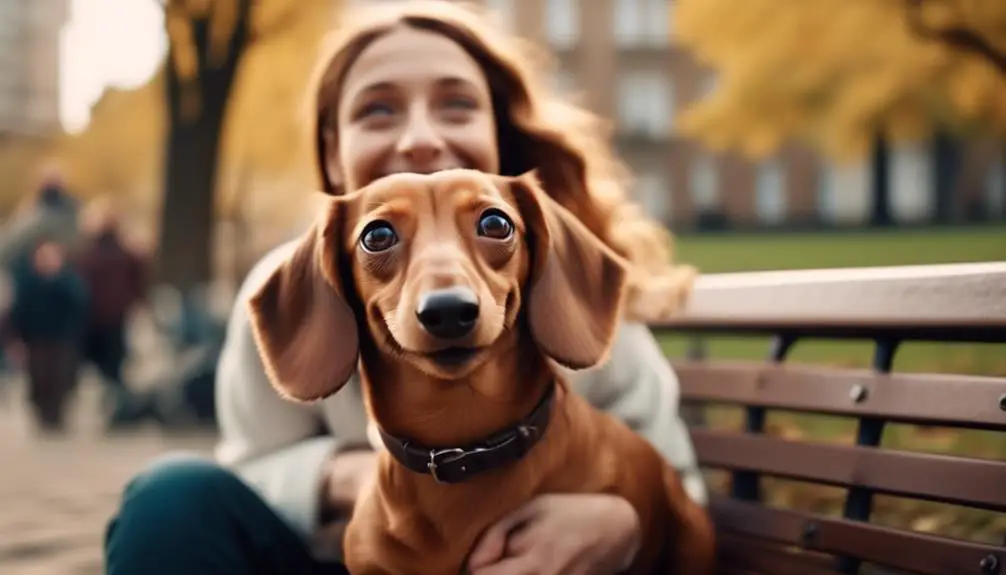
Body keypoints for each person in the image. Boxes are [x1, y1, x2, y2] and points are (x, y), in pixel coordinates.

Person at [105, 2, 705, 574]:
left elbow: (682, 486)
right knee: (171, 498)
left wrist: (620, 524)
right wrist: (368, 477)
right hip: (352, 557)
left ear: (498, 137)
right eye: (378, 111)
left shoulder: (569, 284)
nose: (419, 137)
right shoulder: (288, 294)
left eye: (456, 105)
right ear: (334, 154)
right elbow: (250, 468)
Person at [3, 240, 89, 432]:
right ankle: (43, 413)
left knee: (61, 376)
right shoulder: (28, 282)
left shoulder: (69, 281)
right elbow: (18, 311)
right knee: (39, 377)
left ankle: (57, 414)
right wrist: (16, 338)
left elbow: (78, 307)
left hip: (62, 338)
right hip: (36, 338)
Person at [74, 202, 148, 422]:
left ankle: (114, 408)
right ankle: (115, 408)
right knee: (113, 367)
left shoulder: (88, 254)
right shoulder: (124, 254)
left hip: (97, 318)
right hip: (112, 317)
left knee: (104, 367)